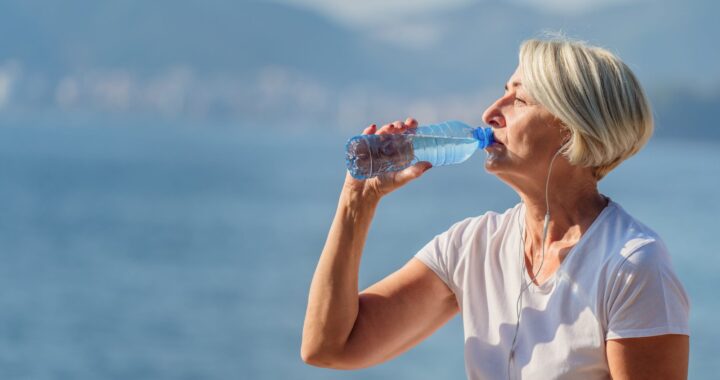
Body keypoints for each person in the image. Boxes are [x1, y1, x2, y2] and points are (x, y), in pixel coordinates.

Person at [301, 37, 690, 379]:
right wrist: (357, 200)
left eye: (518, 99)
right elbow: (329, 347)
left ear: (572, 129)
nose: (490, 112)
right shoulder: (472, 247)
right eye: (503, 91)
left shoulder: (632, 267)